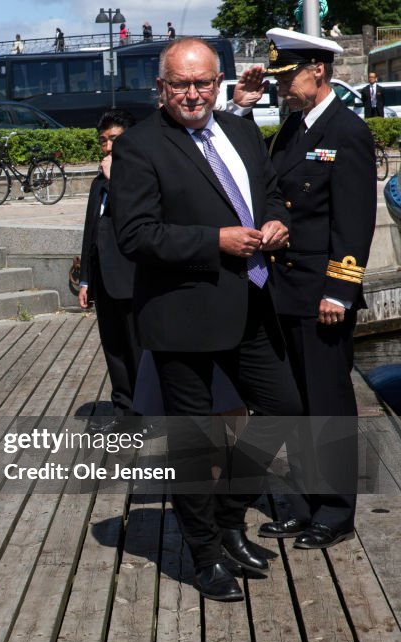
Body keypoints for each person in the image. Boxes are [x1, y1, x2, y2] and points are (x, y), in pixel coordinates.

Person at [110, 38, 302, 601]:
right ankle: (204, 554)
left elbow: (269, 194)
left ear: (219, 83)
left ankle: (228, 517)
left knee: (286, 409)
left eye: (202, 83)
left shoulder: (240, 131)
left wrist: (276, 222)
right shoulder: (139, 146)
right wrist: (214, 241)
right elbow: (135, 235)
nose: (193, 94)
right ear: (161, 87)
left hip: (252, 303)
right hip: (183, 314)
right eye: (180, 84)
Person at [233, 29, 375, 549]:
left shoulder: (348, 131)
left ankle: (335, 511)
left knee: (327, 402)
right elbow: (256, 174)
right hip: (282, 291)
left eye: (287, 76)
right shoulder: (292, 128)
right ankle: (304, 503)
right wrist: (243, 110)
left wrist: (340, 290)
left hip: (321, 294)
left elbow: (353, 221)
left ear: (317, 70)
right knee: (294, 400)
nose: (281, 86)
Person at [78, 109, 140, 420]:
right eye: (103, 140)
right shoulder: (97, 183)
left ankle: (147, 411)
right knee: (113, 348)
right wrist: (85, 279)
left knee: (137, 348)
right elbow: (90, 233)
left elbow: (138, 217)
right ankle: (123, 409)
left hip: (132, 278)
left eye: (114, 139)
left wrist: (117, 180)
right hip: (103, 280)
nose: (107, 146)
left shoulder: (140, 179)